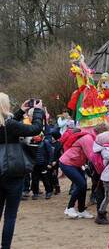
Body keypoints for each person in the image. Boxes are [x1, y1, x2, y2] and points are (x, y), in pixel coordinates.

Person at [0, 94, 44, 249]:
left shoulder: (9, 124)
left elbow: (8, 129)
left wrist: (20, 112)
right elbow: (35, 129)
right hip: (12, 172)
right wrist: (38, 112)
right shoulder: (10, 125)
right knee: (10, 215)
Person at [59, 122, 107, 219]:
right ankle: (69, 207)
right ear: (101, 133)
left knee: (83, 186)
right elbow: (92, 156)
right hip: (67, 163)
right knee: (81, 184)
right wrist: (100, 171)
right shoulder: (88, 138)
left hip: (76, 164)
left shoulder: (93, 138)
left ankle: (81, 210)